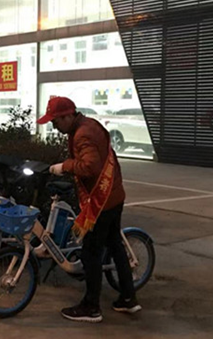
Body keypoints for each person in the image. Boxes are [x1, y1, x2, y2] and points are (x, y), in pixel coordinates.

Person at [37, 96, 141, 323]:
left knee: (90, 253)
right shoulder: (89, 125)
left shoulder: (83, 134)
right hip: (114, 195)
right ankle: (128, 298)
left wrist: (64, 166)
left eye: (55, 121)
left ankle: (91, 307)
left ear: (67, 116)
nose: (54, 126)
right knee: (115, 246)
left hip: (102, 202)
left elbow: (89, 167)